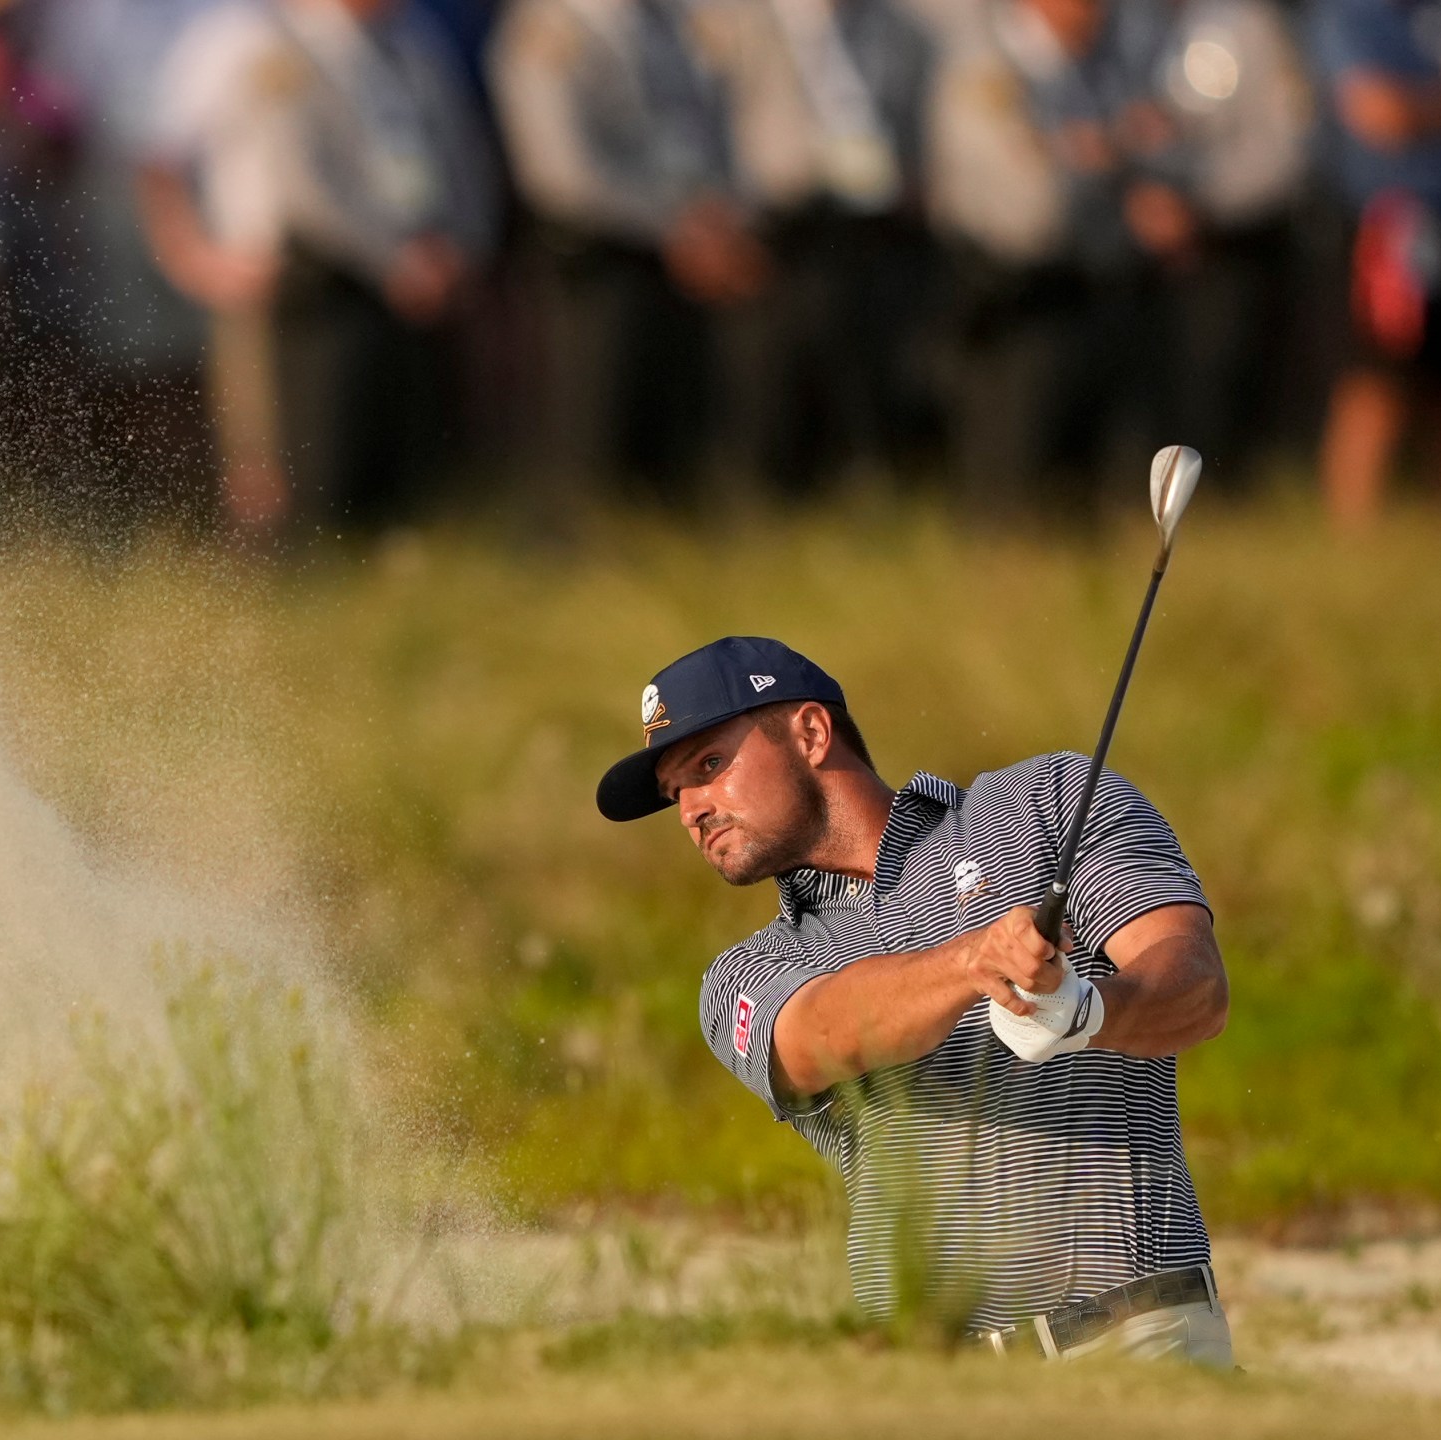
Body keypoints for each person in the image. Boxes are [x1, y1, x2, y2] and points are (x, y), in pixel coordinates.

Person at [593, 636, 1231, 1356]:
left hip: (1138, 1341)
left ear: (810, 732)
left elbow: (1194, 984)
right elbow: (820, 1036)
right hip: (931, 1385)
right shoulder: (746, 974)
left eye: (709, 766)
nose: (691, 810)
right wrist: (972, 963)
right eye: (677, 793)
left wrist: (1089, 1012)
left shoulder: (1046, 803)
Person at [141, 0, 500, 540]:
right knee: (280, 475)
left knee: (401, 472)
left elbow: (455, 148)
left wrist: (459, 248)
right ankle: (285, 605)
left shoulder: (411, 37)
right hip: (286, 286)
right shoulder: (241, 36)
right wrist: (192, 257)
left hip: (403, 286)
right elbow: (157, 153)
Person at [489, 0, 765, 505]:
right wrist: (674, 227)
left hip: (684, 262)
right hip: (598, 267)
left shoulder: (677, 19)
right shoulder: (549, 26)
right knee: (594, 443)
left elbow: (711, 132)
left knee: (674, 455)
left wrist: (725, 217)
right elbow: (561, 174)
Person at [927, 0, 1189, 515]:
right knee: (1013, 482)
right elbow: (1025, 200)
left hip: (1092, 292)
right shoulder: (984, 66)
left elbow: (1164, 145)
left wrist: (1105, 158)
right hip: (1011, 300)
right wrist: (1112, 167)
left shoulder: (1103, 62)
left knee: (1088, 486)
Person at [692, 0, 940, 492]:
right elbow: (699, 123)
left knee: (858, 384)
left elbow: (912, 121)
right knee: (762, 390)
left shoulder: (897, 27)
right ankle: (751, 505)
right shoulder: (733, 21)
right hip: (767, 226)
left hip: (865, 228)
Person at [1309, 0, 1441, 524]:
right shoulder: (1355, 13)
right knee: (1376, 376)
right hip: (1390, 224)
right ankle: (1351, 533)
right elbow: (1378, 113)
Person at [1151, 0, 1313, 480]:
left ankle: (1225, 496)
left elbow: (1288, 143)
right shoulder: (1124, 23)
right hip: (1126, 250)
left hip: (1232, 245)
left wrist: (1198, 208)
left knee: (1222, 390)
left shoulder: (1250, 24)